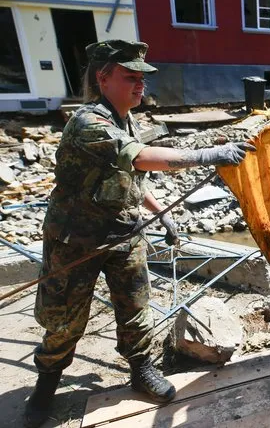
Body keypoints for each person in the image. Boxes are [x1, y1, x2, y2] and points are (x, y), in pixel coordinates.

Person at [24, 40, 255, 428]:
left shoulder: (123, 120)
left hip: (122, 234)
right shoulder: (88, 122)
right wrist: (209, 155)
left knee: (135, 308)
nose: (139, 85)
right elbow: (143, 158)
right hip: (77, 242)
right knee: (64, 320)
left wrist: (160, 214)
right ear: (103, 78)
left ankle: (141, 369)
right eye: (129, 77)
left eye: (142, 78)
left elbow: (131, 178)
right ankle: (46, 387)